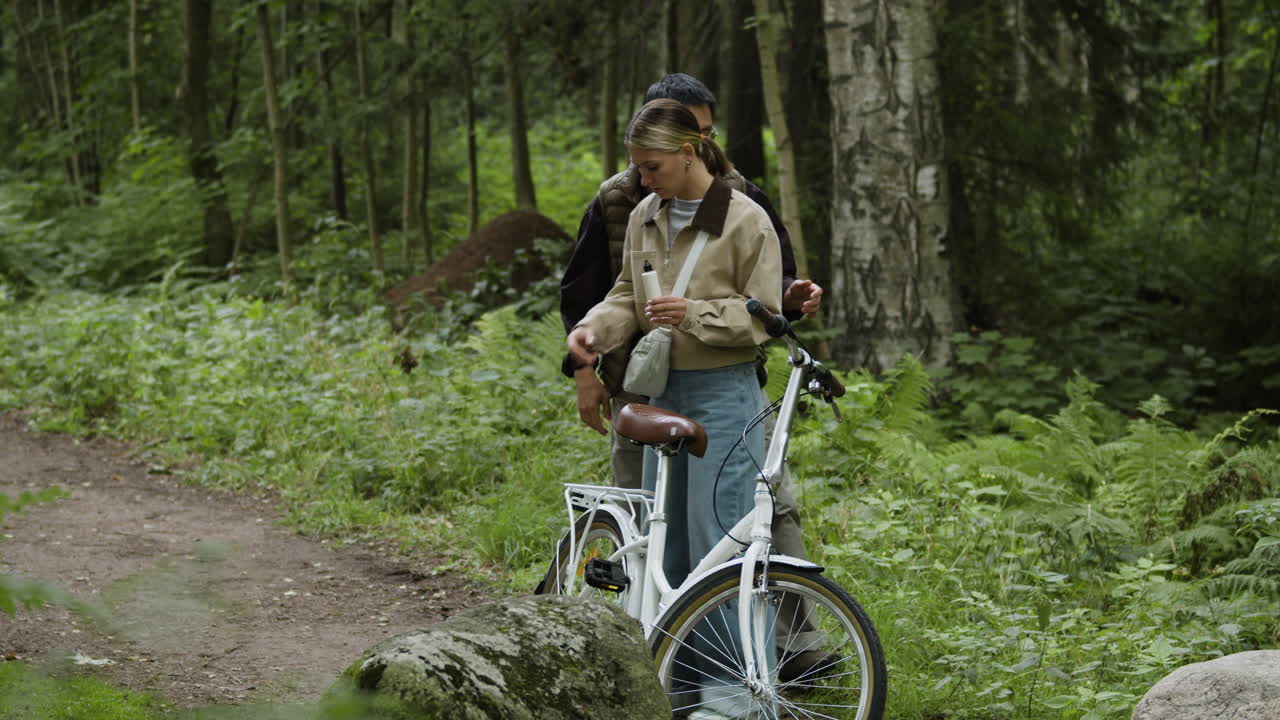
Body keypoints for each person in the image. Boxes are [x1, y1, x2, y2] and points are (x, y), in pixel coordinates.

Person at [568, 98, 782, 716]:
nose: (642, 179)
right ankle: (677, 694)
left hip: (724, 396)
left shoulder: (746, 221)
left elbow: (765, 315)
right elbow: (627, 296)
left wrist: (693, 313)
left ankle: (736, 702)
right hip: (663, 398)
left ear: (689, 154)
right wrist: (593, 332)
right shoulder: (643, 214)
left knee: (722, 551)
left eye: (653, 166)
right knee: (671, 554)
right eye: (637, 167)